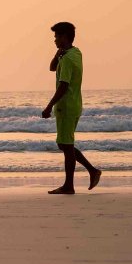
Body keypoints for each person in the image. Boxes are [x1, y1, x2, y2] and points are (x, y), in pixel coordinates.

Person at [41, 21, 101, 194]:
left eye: (57, 37)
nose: (54, 40)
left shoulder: (67, 59)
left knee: (65, 145)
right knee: (65, 144)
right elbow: (52, 68)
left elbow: (63, 85)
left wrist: (49, 106)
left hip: (65, 106)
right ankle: (91, 171)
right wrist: (58, 52)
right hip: (75, 104)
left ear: (64, 37)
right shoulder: (75, 53)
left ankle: (71, 184)